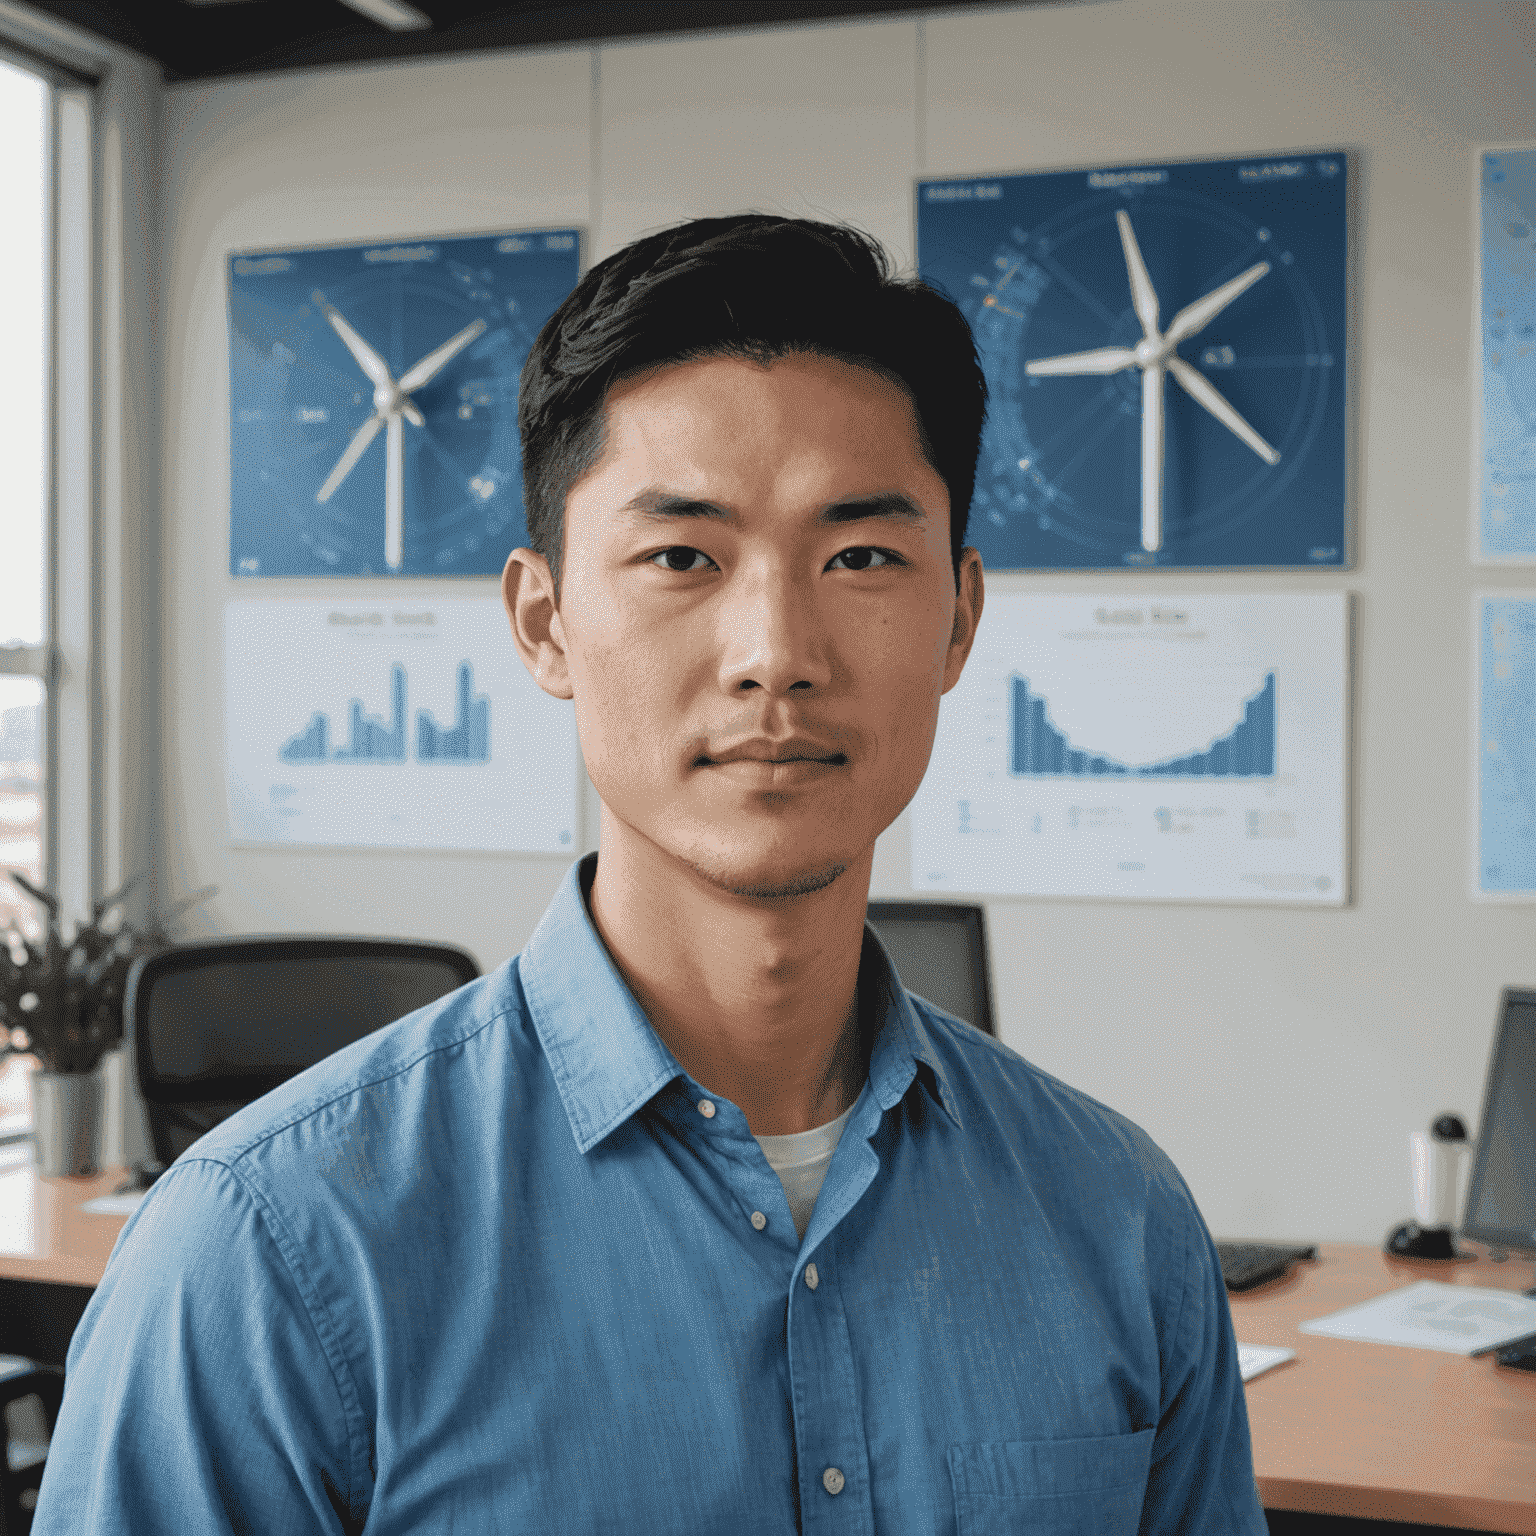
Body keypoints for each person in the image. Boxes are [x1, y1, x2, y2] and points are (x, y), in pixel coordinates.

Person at [32, 213, 1266, 1533]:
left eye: (859, 555)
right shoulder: (269, 1252)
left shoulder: (1120, 1221)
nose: (775, 651)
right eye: (682, 555)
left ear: (958, 619)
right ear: (544, 619)